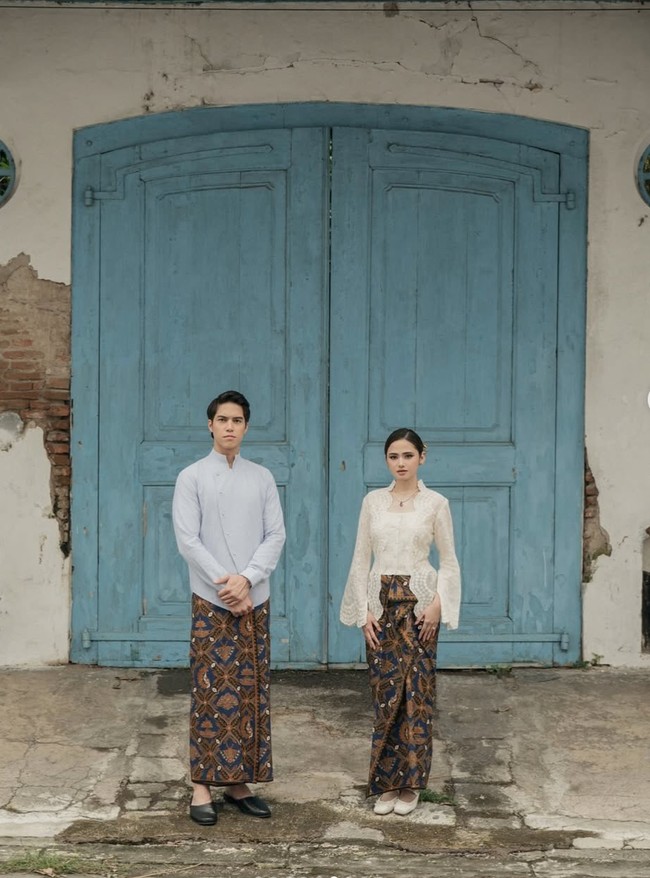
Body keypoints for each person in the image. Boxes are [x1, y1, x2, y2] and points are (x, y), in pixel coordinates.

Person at [172, 390, 286, 826]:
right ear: (210, 425)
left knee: (250, 691)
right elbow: (188, 540)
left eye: (237, 420)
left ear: (246, 427)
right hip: (211, 599)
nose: (230, 427)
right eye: (222, 419)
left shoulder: (262, 477)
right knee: (209, 691)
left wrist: (248, 579)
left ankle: (239, 782)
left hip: (254, 598)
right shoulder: (192, 477)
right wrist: (226, 582)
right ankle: (202, 783)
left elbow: (275, 535)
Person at [340, 428, 461, 817]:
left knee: (417, 697)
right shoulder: (373, 502)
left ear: (422, 457)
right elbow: (361, 559)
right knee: (385, 697)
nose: (401, 463)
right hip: (380, 606)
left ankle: (412, 785)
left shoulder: (436, 504)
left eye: (408, 455)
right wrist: (363, 612)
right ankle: (387, 782)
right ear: (387, 460)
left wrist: (440, 604)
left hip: (421, 606)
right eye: (394, 456)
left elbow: (450, 560)